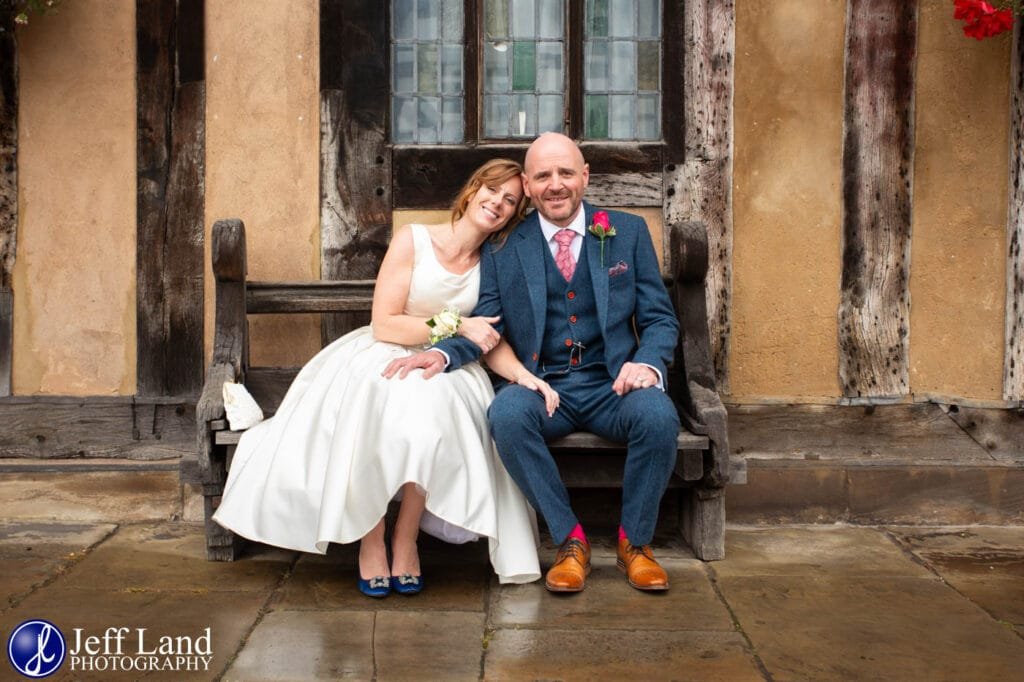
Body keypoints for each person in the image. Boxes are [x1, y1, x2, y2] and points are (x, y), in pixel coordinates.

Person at [213, 159, 557, 598]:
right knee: (375, 399)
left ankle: (406, 537)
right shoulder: (414, 238)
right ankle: (369, 537)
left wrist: (525, 376)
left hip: (444, 362)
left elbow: (490, 335)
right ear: (472, 191)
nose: (498, 203)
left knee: (433, 408)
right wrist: (455, 323)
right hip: (387, 347)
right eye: (493, 191)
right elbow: (385, 324)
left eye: (511, 201)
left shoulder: (493, 259)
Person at [386, 133, 681, 593]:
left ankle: (635, 544)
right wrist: (442, 352)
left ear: (584, 176)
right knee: (505, 415)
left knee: (660, 416)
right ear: (528, 183)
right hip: (543, 387)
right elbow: (487, 325)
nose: (555, 184)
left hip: (613, 386)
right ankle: (569, 540)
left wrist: (646, 364)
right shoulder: (505, 246)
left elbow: (660, 319)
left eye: (565, 173)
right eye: (543, 176)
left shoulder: (627, 231)